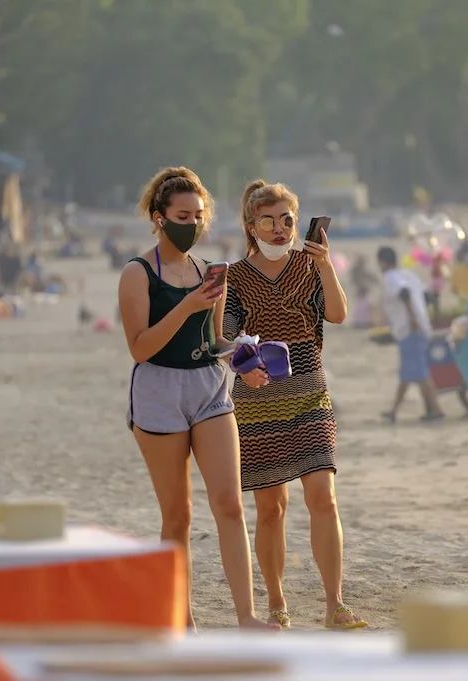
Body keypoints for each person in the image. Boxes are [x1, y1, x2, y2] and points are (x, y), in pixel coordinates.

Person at [117, 166, 277, 632]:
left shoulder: (210, 271)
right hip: (158, 391)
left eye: (199, 215)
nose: (192, 223)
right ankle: (180, 621)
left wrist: (245, 359)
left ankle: (246, 616)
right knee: (179, 515)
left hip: (208, 387)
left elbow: (214, 341)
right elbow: (140, 347)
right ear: (159, 217)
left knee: (228, 502)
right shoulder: (138, 273)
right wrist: (186, 305)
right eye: (182, 214)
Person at [223, 179, 367, 630]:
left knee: (323, 496)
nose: (280, 228)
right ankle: (276, 604)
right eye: (268, 220)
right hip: (257, 400)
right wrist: (242, 364)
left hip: (310, 391)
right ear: (251, 226)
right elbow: (224, 337)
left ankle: (334, 604)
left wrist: (326, 267)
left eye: (287, 219)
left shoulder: (310, 266)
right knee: (271, 507)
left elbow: (339, 315)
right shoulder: (234, 276)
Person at [376, 246, 445, 424]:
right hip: (418, 328)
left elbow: (404, 293)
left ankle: (437, 411)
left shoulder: (390, 278)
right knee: (407, 375)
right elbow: (428, 296)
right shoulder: (408, 275)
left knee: (420, 374)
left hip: (410, 329)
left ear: (383, 263)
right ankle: (393, 412)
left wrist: (412, 318)